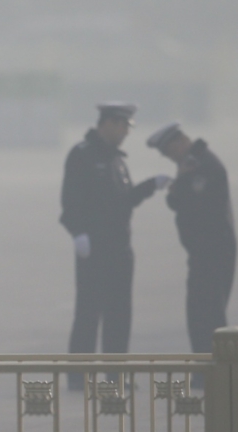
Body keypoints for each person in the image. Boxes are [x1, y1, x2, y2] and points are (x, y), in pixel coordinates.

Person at [59, 102, 171, 390]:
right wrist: (78, 233)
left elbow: (123, 202)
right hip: (93, 248)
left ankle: (115, 373)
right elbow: (70, 199)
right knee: (88, 312)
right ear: (108, 123)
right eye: (123, 127)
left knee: (120, 313)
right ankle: (78, 375)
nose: (126, 133)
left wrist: (149, 186)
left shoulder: (116, 160)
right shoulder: (82, 155)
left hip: (120, 249)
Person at [147, 123, 236, 364]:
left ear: (180, 142)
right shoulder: (192, 164)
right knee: (200, 311)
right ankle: (207, 365)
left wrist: (179, 185)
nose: (170, 157)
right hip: (203, 251)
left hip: (211, 250)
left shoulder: (200, 166)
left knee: (208, 313)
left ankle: (216, 367)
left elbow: (187, 203)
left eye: (169, 151)